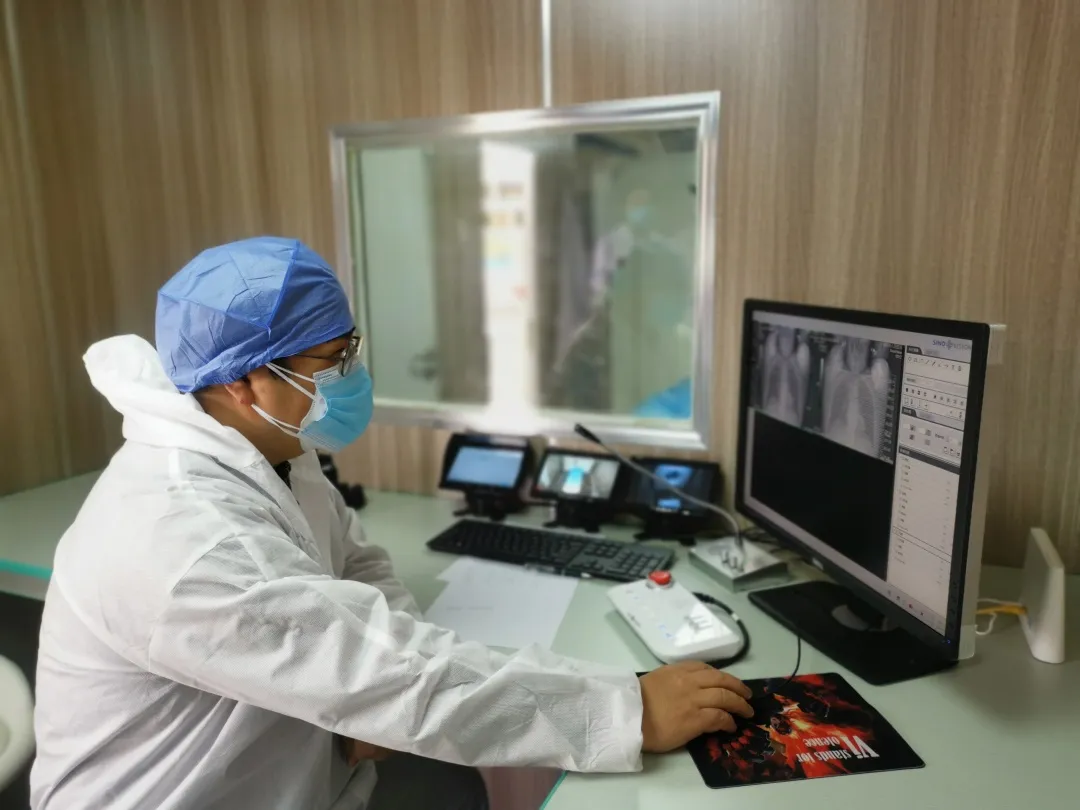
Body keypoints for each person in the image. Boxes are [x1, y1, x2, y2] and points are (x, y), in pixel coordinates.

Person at [29, 237, 754, 810]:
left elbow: (356, 565)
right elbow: (389, 679)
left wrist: (373, 699)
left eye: (352, 349)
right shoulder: (187, 542)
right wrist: (625, 711)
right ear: (246, 382)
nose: (351, 374)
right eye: (332, 360)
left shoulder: (273, 452)